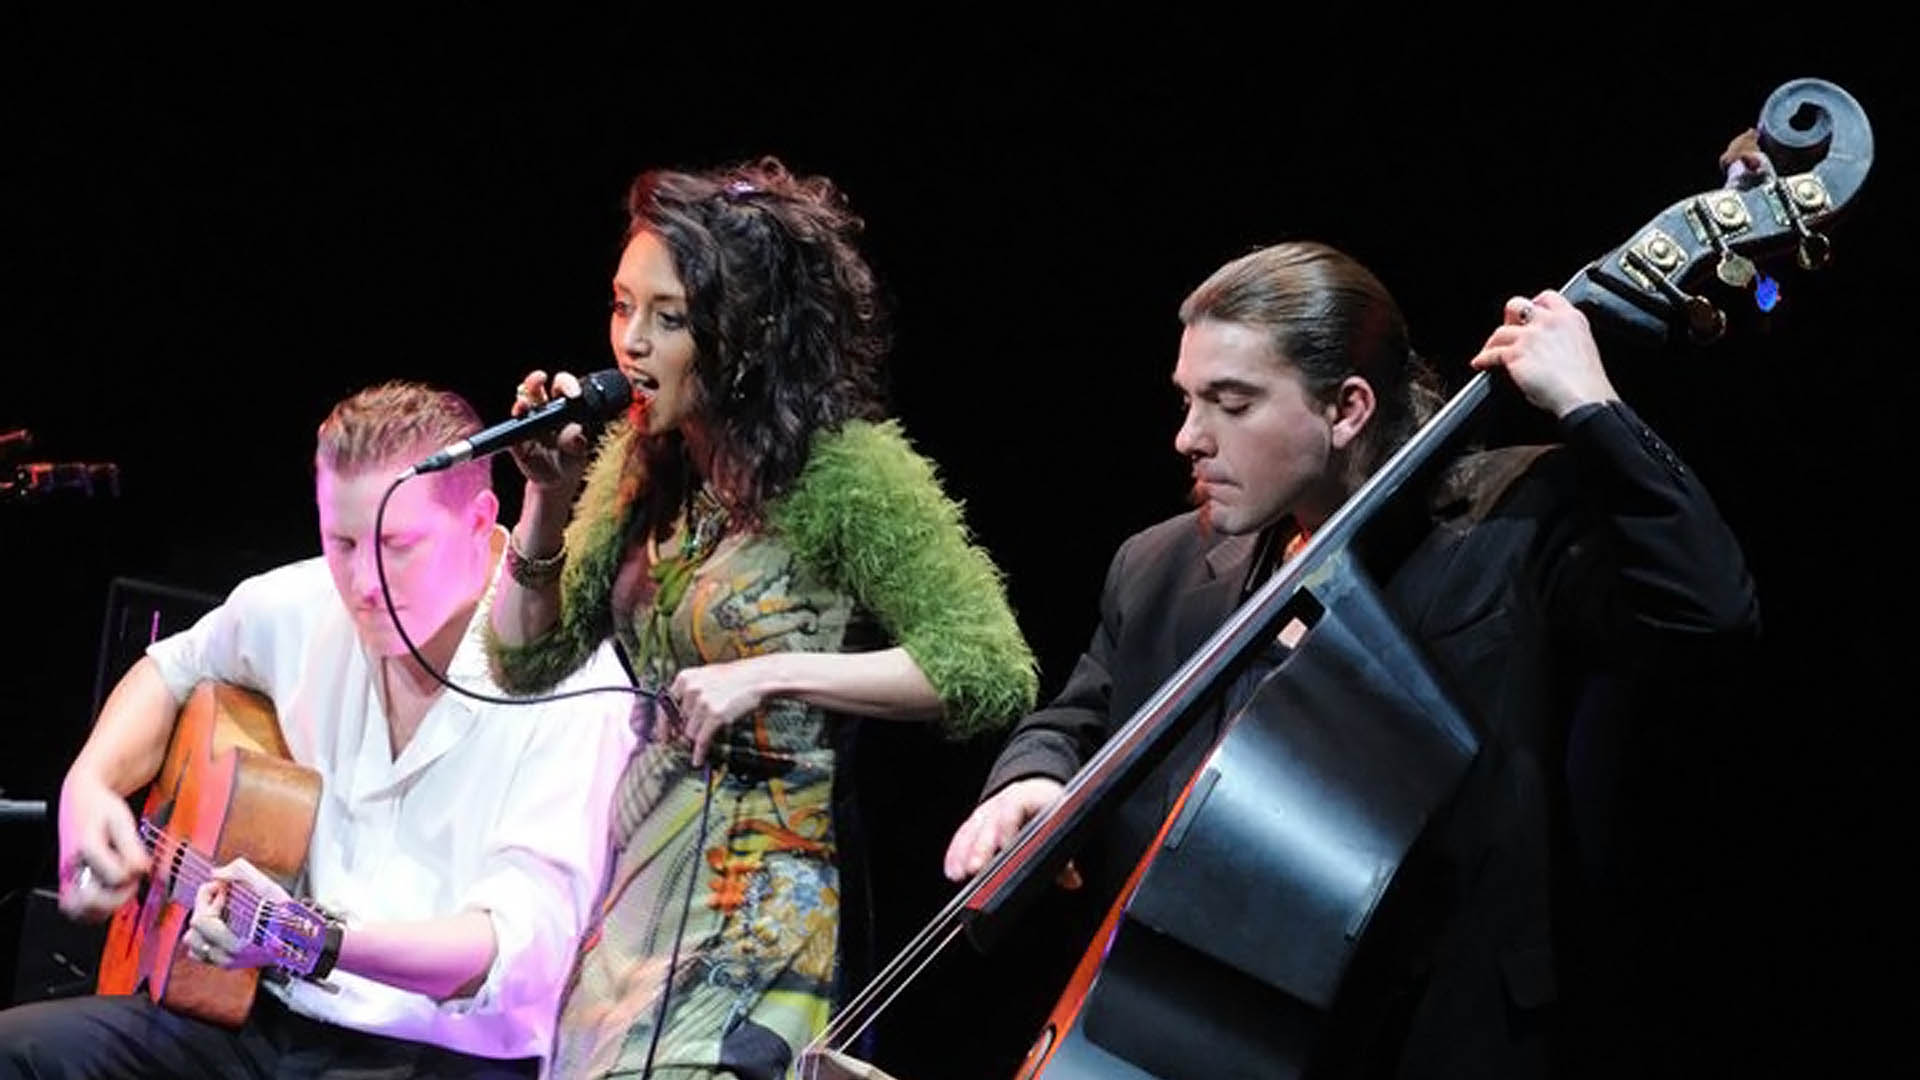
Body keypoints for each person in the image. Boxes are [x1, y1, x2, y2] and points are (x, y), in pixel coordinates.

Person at [943, 241, 1760, 1077]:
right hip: (1189, 1034)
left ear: (1348, 409)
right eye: (1188, 401)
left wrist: (1592, 406)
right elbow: (1078, 715)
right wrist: (1032, 779)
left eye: (1230, 403)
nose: (1189, 437)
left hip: (1432, 1036)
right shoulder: (1159, 566)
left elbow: (1706, 609)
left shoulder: (1514, 523)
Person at [486, 156, 1038, 1079]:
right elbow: (525, 660)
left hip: (767, 905)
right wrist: (545, 498)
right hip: (638, 890)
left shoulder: (848, 472)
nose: (632, 341)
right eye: (623, 307)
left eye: (669, 318)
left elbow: (986, 669)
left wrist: (773, 672)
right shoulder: (638, 467)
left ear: (748, 334)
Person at [0, 382, 635, 1079]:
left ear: (481, 520)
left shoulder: (575, 686)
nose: (362, 581)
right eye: (341, 542)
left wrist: (316, 940)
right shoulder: (304, 605)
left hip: (438, 1056)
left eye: (397, 545)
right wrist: (88, 784)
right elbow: (172, 668)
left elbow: (517, 954)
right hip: (261, 1021)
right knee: (21, 1053)